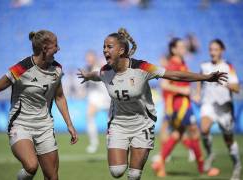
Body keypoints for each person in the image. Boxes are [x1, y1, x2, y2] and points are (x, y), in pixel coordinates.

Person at [77, 28, 227, 180]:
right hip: (118, 125)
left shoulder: (142, 68)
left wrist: (205, 77)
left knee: (134, 176)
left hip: (142, 125)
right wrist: (87, 76)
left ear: (121, 50)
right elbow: (97, 75)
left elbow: (173, 74)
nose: (104, 50)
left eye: (109, 47)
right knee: (117, 171)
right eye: (104, 47)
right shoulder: (105, 71)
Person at [0, 30, 78, 180]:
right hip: (21, 125)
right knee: (31, 165)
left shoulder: (57, 69)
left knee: (52, 177)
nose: (59, 49)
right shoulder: (22, 68)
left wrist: (69, 124)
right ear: (44, 49)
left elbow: (60, 97)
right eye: (56, 45)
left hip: (45, 127)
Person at [151, 38, 211, 177]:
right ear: (174, 50)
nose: (184, 48)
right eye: (181, 46)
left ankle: (160, 163)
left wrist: (194, 93)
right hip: (179, 106)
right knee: (193, 133)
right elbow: (165, 85)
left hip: (184, 104)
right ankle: (202, 169)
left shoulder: (182, 63)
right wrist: (183, 91)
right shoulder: (172, 65)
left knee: (177, 134)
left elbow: (187, 82)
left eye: (184, 46)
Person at [196, 39, 241, 180]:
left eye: (215, 49)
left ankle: (237, 166)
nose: (212, 52)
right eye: (211, 49)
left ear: (222, 50)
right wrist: (197, 93)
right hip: (208, 104)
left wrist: (223, 82)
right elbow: (199, 79)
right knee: (203, 129)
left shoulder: (228, 66)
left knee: (229, 140)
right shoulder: (204, 66)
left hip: (224, 108)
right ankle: (210, 154)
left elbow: (236, 88)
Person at [84, 50, 110, 153]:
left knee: (111, 120)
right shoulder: (87, 68)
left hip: (106, 96)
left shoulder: (101, 65)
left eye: (90, 57)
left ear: (94, 57)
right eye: (87, 58)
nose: (88, 60)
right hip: (95, 96)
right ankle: (94, 143)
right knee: (89, 116)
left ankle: (111, 140)